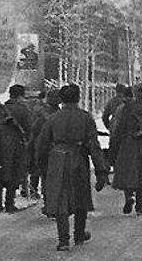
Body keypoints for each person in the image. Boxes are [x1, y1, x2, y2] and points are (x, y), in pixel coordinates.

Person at [35, 84, 109, 250]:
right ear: (78, 98)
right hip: (78, 158)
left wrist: (41, 164)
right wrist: (101, 171)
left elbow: (42, 144)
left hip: (57, 159)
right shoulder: (85, 117)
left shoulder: (53, 118)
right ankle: (79, 234)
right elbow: (94, 146)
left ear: (61, 99)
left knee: (61, 198)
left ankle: (63, 240)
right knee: (80, 197)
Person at [110, 83, 142, 215]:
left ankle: (129, 197)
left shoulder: (125, 109)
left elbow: (118, 130)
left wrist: (113, 150)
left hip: (126, 144)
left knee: (127, 173)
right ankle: (140, 207)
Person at [0, 86, 29, 212]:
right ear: (20, 96)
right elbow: (29, 128)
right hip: (16, 146)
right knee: (13, 174)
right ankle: (9, 203)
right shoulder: (23, 110)